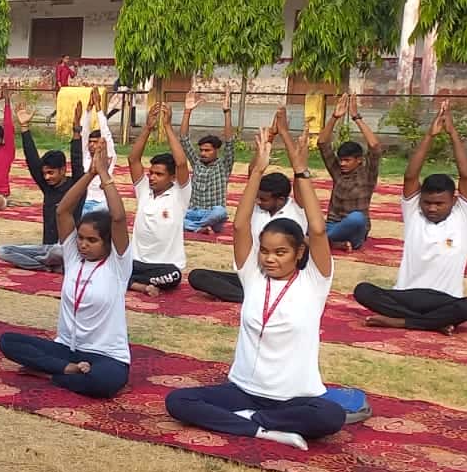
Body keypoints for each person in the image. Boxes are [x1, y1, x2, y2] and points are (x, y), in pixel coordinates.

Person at [165, 110, 347, 450]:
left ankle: (248, 420)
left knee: (330, 417)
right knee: (178, 401)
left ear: (299, 252)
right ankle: (261, 428)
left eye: (280, 253)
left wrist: (301, 171)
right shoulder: (253, 275)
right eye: (265, 251)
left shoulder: (314, 281)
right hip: (243, 389)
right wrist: (257, 171)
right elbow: (239, 226)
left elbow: (318, 229)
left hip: (293, 397)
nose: (270, 258)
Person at [0, 137, 133, 398]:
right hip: (67, 350)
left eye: (92, 240)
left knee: (104, 382)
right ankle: (68, 371)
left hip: (105, 355)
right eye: (80, 238)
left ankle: (52, 373)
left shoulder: (117, 265)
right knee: (8, 342)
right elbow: (63, 211)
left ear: (107, 243)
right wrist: (89, 174)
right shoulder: (73, 258)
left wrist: (103, 175)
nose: (83, 244)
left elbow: (118, 218)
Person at [353, 101, 467, 334]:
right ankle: (432, 322)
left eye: (439, 204)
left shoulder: (464, 216)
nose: (432, 208)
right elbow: (410, 176)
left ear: (454, 201)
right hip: (406, 295)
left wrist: (452, 133)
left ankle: (402, 322)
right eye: (427, 203)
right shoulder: (414, 213)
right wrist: (429, 135)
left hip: (445, 299)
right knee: (362, 290)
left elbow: (466, 175)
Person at [187, 172, 305, 303]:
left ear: (280, 200)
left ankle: (262, 296)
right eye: (257, 197)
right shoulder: (254, 209)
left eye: (263, 199)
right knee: (198, 276)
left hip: (281, 277)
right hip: (252, 274)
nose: (258, 201)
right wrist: (258, 167)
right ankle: (255, 296)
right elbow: (252, 175)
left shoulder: (297, 212)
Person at [0, 103, 84, 272]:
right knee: (3, 250)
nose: (47, 177)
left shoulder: (76, 187)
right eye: (44, 174)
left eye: (51, 173)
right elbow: (32, 160)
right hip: (45, 248)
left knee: (57, 251)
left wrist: (76, 131)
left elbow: (77, 160)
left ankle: (54, 263)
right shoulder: (48, 187)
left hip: (66, 249)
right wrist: (24, 127)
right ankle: (46, 266)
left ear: (62, 170)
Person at [125, 100, 192, 294]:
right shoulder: (144, 189)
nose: (152, 177)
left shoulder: (180, 193)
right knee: (112, 260)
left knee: (174, 275)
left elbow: (181, 163)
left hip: (165, 267)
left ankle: (130, 282)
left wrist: (167, 127)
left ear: (172, 177)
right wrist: (147, 127)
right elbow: (133, 159)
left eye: (159, 174)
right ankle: (139, 285)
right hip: (137, 262)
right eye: (151, 173)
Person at [318, 93, 382, 251]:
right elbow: (323, 143)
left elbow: (375, 147)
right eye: (341, 160)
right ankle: (331, 241)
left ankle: (320, 240)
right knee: (307, 219)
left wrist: (356, 117)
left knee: (356, 218)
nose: (342, 164)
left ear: (359, 160)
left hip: (355, 228)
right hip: (333, 224)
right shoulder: (337, 172)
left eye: (347, 160)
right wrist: (334, 117)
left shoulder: (367, 175)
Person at [182, 87, 238, 234]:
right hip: (194, 212)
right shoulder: (197, 163)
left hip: (213, 215)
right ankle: (200, 227)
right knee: (173, 214)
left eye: (207, 150)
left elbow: (230, 142)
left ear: (216, 150)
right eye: (201, 150)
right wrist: (187, 111)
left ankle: (195, 227)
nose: (203, 153)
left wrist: (226, 112)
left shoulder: (223, 166)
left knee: (220, 212)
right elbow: (184, 140)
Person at [78, 89, 117, 215]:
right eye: (90, 142)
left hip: (102, 203)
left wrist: (99, 108)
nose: (91, 145)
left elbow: (106, 133)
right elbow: (84, 133)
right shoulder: (85, 156)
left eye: (95, 142)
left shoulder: (108, 156)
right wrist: (89, 109)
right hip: (84, 201)